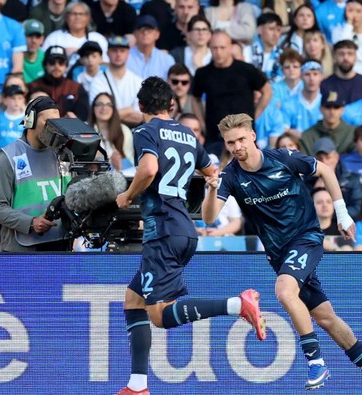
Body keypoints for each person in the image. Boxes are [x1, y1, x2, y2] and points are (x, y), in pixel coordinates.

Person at [202, 113, 362, 394]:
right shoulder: (229, 176)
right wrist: (211, 189)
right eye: (231, 142)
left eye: (241, 139)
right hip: (279, 254)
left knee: (284, 291)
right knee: (325, 318)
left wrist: (343, 215)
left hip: (306, 237)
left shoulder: (282, 158)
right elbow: (209, 217)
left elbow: (325, 170)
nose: (237, 146)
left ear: (253, 136)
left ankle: (316, 362)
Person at [113, 78, 265, 395]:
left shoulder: (144, 132)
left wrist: (128, 195)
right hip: (184, 227)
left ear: (140, 107)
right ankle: (137, 386)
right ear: (172, 105)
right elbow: (212, 173)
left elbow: (149, 169)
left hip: (162, 231)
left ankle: (238, 305)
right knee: (133, 299)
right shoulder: (186, 133)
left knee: (160, 317)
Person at [0, 96, 70, 252]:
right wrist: (30, 222)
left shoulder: (63, 155)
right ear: (30, 121)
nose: (54, 128)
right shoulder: (7, 157)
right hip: (21, 248)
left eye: (57, 122)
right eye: (48, 122)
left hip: (60, 243)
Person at [192, 30, 271, 156]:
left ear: (230, 47)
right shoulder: (203, 73)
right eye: (214, 48)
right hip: (215, 136)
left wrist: (254, 115)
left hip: (244, 134)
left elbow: (267, 91)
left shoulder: (246, 70)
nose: (218, 52)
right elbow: (195, 98)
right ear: (209, 48)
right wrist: (202, 124)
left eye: (222, 48)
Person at [89, 35, 143, 127]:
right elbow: (98, 114)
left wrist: (110, 113)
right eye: (114, 51)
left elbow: (141, 117)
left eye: (122, 51)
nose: (118, 54)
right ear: (107, 53)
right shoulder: (97, 81)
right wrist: (129, 110)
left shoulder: (138, 81)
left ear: (128, 53)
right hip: (106, 132)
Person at [29, 45, 90, 120]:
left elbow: (83, 117)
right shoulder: (33, 86)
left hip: (69, 129)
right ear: (45, 65)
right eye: (52, 62)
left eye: (61, 63)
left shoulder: (76, 88)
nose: (57, 66)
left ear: (66, 66)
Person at [87, 92, 134, 170]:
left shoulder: (124, 130)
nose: (104, 108)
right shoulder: (84, 129)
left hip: (120, 177)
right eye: (99, 104)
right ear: (93, 108)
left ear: (113, 109)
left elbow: (131, 162)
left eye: (108, 104)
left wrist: (118, 164)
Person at [299, 91, 355, 155]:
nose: (332, 112)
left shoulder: (352, 133)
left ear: (342, 110)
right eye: (328, 107)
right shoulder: (308, 136)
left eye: (336, 107)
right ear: (321, 109)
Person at [126, 15, 175, 80]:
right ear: (135, 33)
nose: (145, 33)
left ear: (157, 34)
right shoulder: (125, 57)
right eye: (141, 29)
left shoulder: (167, 59)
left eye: (149, 30)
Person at [320, 40, 362, 106]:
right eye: (341, 54)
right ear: (334, 57)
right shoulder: (325, 84)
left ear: (355, 58)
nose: (345, 58)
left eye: (350, 54)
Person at [22, 19, 46, 84]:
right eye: (29, 36)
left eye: (37, 37)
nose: (33, 40)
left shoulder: (46, 58)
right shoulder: (15, 58)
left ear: (42, 39)